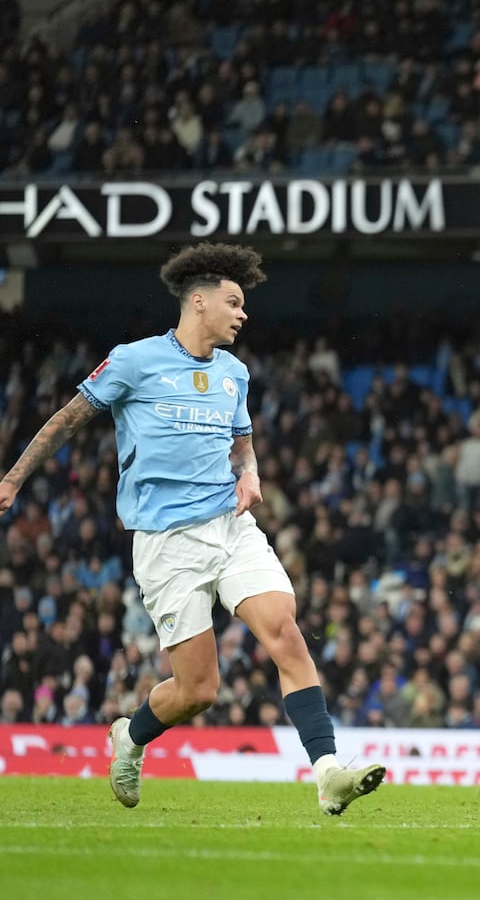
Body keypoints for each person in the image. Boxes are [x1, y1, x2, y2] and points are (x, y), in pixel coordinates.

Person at [0, 243, 384, 815]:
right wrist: (12, 479)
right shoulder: (134, 361)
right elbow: (66, 420)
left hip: (231, 528)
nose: (243, 313)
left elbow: (243, 440)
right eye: (234, 302)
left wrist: (249, 472)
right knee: (199, 691)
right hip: (167, 544)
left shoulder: (235, 373)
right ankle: (130, 738)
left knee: (285, 630)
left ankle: (327, 773)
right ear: (197, 303)